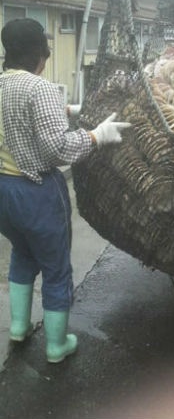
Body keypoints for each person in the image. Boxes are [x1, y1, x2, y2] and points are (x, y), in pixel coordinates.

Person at [0, 18, 131, 364]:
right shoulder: (39, 87)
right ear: (38, 53)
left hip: (3, 193)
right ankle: (57, 346)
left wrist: (74, 111)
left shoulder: (3, 83)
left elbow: (20, 118)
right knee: (56, 268)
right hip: (35, 192)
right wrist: (95, 134)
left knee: (23, 254)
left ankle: (18, 327)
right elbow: (57, 149)